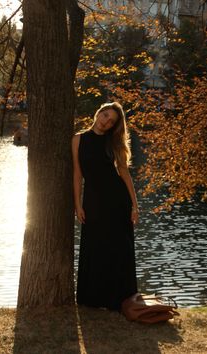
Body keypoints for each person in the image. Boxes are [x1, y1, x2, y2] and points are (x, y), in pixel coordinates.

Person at [72, 102, 139, 311]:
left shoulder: (113, 142)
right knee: (95, 246)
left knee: (119, 248)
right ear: (98, 113)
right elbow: (77, 174)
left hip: (117, 201)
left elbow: (124, 173)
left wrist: (135, 206)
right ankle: (93, 298)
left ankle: (119, 300)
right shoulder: (78, 139)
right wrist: (77, 204)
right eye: (105, 116)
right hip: (92, 201)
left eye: (111, 122)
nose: (106, 122)